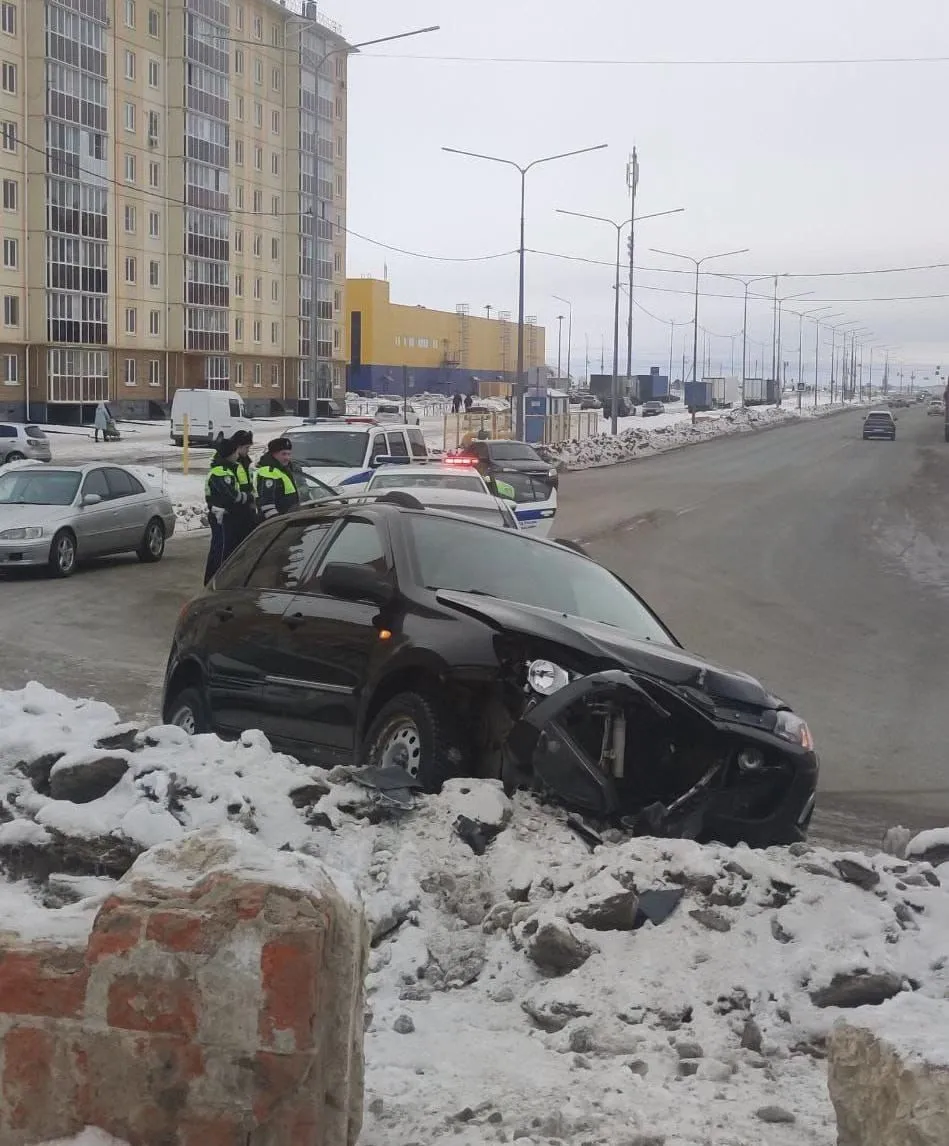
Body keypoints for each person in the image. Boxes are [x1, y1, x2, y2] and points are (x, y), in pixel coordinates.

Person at [203, 437, 250, 585]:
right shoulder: (221, 472)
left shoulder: (227, 468)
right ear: (230, 453)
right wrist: (248, 497)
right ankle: (213, 583)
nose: (238, 455)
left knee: (226, 549)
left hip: (226, 516)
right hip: (221, 516)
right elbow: (231, 496)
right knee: (221, 550)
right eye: (236, 452)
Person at [255, 436, 300, 521]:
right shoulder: (269, 472)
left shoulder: (284, 469)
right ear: (273, 454)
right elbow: (266, 504)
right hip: (276, 524)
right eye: (283, 454)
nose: (287, 458)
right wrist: (277, 522)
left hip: (288, 519)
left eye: (289, 454)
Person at [230, 429, 257, 547]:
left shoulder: (244, 461)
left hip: (246, 507)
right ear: (238, 447)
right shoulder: (232, 463)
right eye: (246, 447)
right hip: (236, 509)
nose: (248, 450)